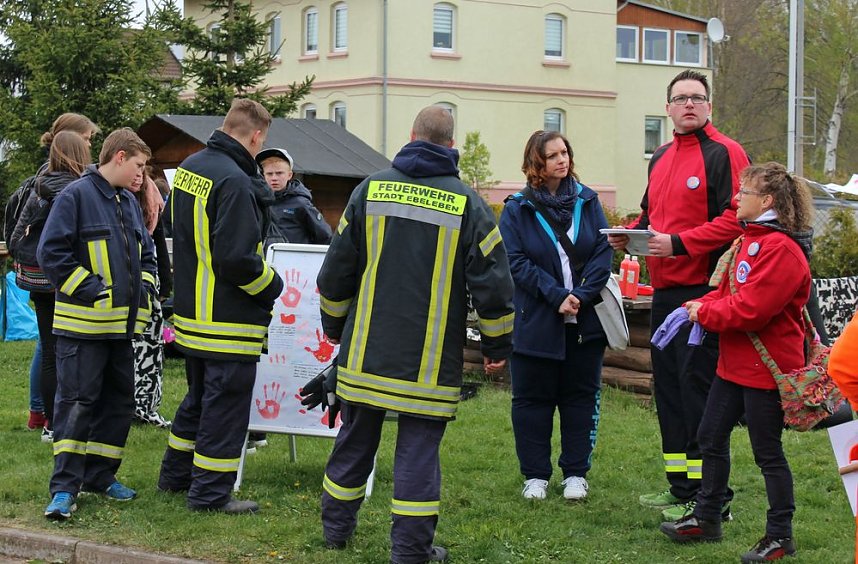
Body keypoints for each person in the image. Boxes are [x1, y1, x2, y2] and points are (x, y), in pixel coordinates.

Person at [313, 106, 514, 564]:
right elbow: (494, 284)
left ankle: (335, 531)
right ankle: (410, 551)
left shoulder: (369, 190)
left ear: (411, 136)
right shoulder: (468, 203)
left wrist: (333, 325)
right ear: (451, 145)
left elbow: (336, 271)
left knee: (355, 439)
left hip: (366, 353)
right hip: (428, 363)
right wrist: (498, 346)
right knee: (418, 454)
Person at [607, 69, 751, 521]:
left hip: (705, 292)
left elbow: (740, 218)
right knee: (667, 388)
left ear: (709, 106)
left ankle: (714, 497)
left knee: (699, 391)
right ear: (668, 108)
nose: (689, 104)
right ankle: (680, 485)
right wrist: (627, 234)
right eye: (680, 98)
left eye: (697, 97)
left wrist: (681, 243)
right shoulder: (662, 156)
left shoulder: (727, 152)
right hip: (665, 292)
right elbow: (652, 215)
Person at [659, 162, 812, 562]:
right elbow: (725, 292)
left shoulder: (783, 251)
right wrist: (693, 305)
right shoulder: (749, 240)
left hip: (767, 369)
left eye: (744, 192)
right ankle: (708, 518)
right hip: (733, 363)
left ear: (767, 201)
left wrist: (701, 314)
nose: (736, 199)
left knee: (768, 453)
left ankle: (781, 535)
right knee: (710, 437)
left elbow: (751, 310)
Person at [157, 98, 284, 514]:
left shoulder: (192, 168)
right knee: (225, 410)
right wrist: (272, 284)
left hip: (193, 314)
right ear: (256, 136)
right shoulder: (237, 181)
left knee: (197, 401)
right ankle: (210, 495)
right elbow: (236, 258)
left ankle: (174, 478)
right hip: (228, 321)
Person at [36, 128, 156, 520]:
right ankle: (64, 489)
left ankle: (101, 477)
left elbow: (146, 253)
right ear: (119, 157)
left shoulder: (127, 201)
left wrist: (149, 286)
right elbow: (50, 252)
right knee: (75, 406)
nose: (141, 175)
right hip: (82, 329)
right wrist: (89, 289)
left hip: (121, 330)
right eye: (138, 166)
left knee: (117, 404)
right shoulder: (75, 196)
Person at [498, 130, 612, 501]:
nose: (562, 160)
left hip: (584, 321)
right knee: (532, 401)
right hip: (537, 319)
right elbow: (514, 262)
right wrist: (556, 296)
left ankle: (576, 474)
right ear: (537, 164)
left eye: (565, 152)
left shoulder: (588, 200)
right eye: (553, 156)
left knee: (580, 397)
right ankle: (535, 475)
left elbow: (602, 252)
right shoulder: (517, 208)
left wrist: (580, 296)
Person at [5, 113, 100, 441]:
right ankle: (66, 419)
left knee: (48, 349)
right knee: (69, 349)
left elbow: (15, 235)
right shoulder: (77, 189)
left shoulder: (38, 183)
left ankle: (47, 421)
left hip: (37, 278)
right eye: (87, 140)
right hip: (66, 278)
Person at [127, 167, 173, 428]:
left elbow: (157, 245)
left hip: (148, 284)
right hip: (122, 287)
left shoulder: (149, 200)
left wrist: (164, 283)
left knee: (149, 348)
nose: (137, 176)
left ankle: (145, 405)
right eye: (134, 169)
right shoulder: (111, 198)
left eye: (142, 171)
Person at [255, 147, 333, 244]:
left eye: (279, 173)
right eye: (269, 174)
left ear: (289, 175)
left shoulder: (301, 203)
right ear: (263, 176)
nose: (274, 178)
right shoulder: (257, 202)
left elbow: (325, 236)